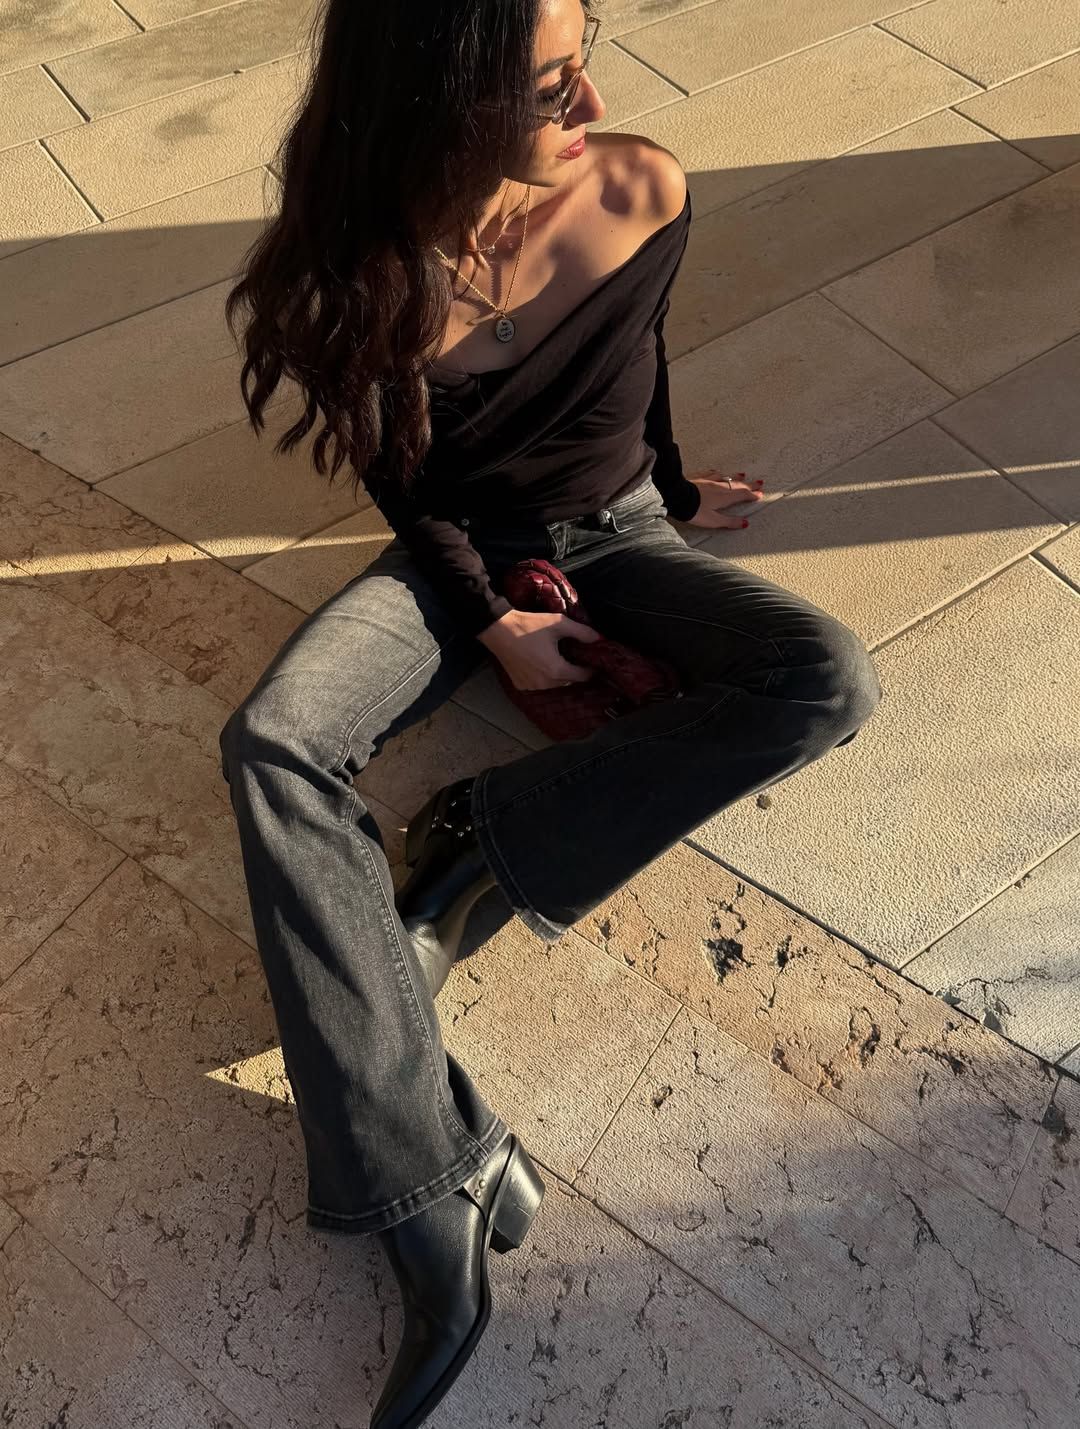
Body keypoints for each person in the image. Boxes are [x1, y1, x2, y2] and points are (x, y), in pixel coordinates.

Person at [218, 0, 883, 1422]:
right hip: (454, 561)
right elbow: (404, 479)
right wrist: (494, 626)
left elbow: (644, 364)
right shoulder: (361, 261)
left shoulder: (641, 186)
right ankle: (431, 1196)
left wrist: (677, 488)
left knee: (828, 677)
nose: (590, 102)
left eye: (584, 59)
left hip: (619, 530)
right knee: (273, 740)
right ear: (445, 98)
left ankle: (483, 835)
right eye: (547, 84)